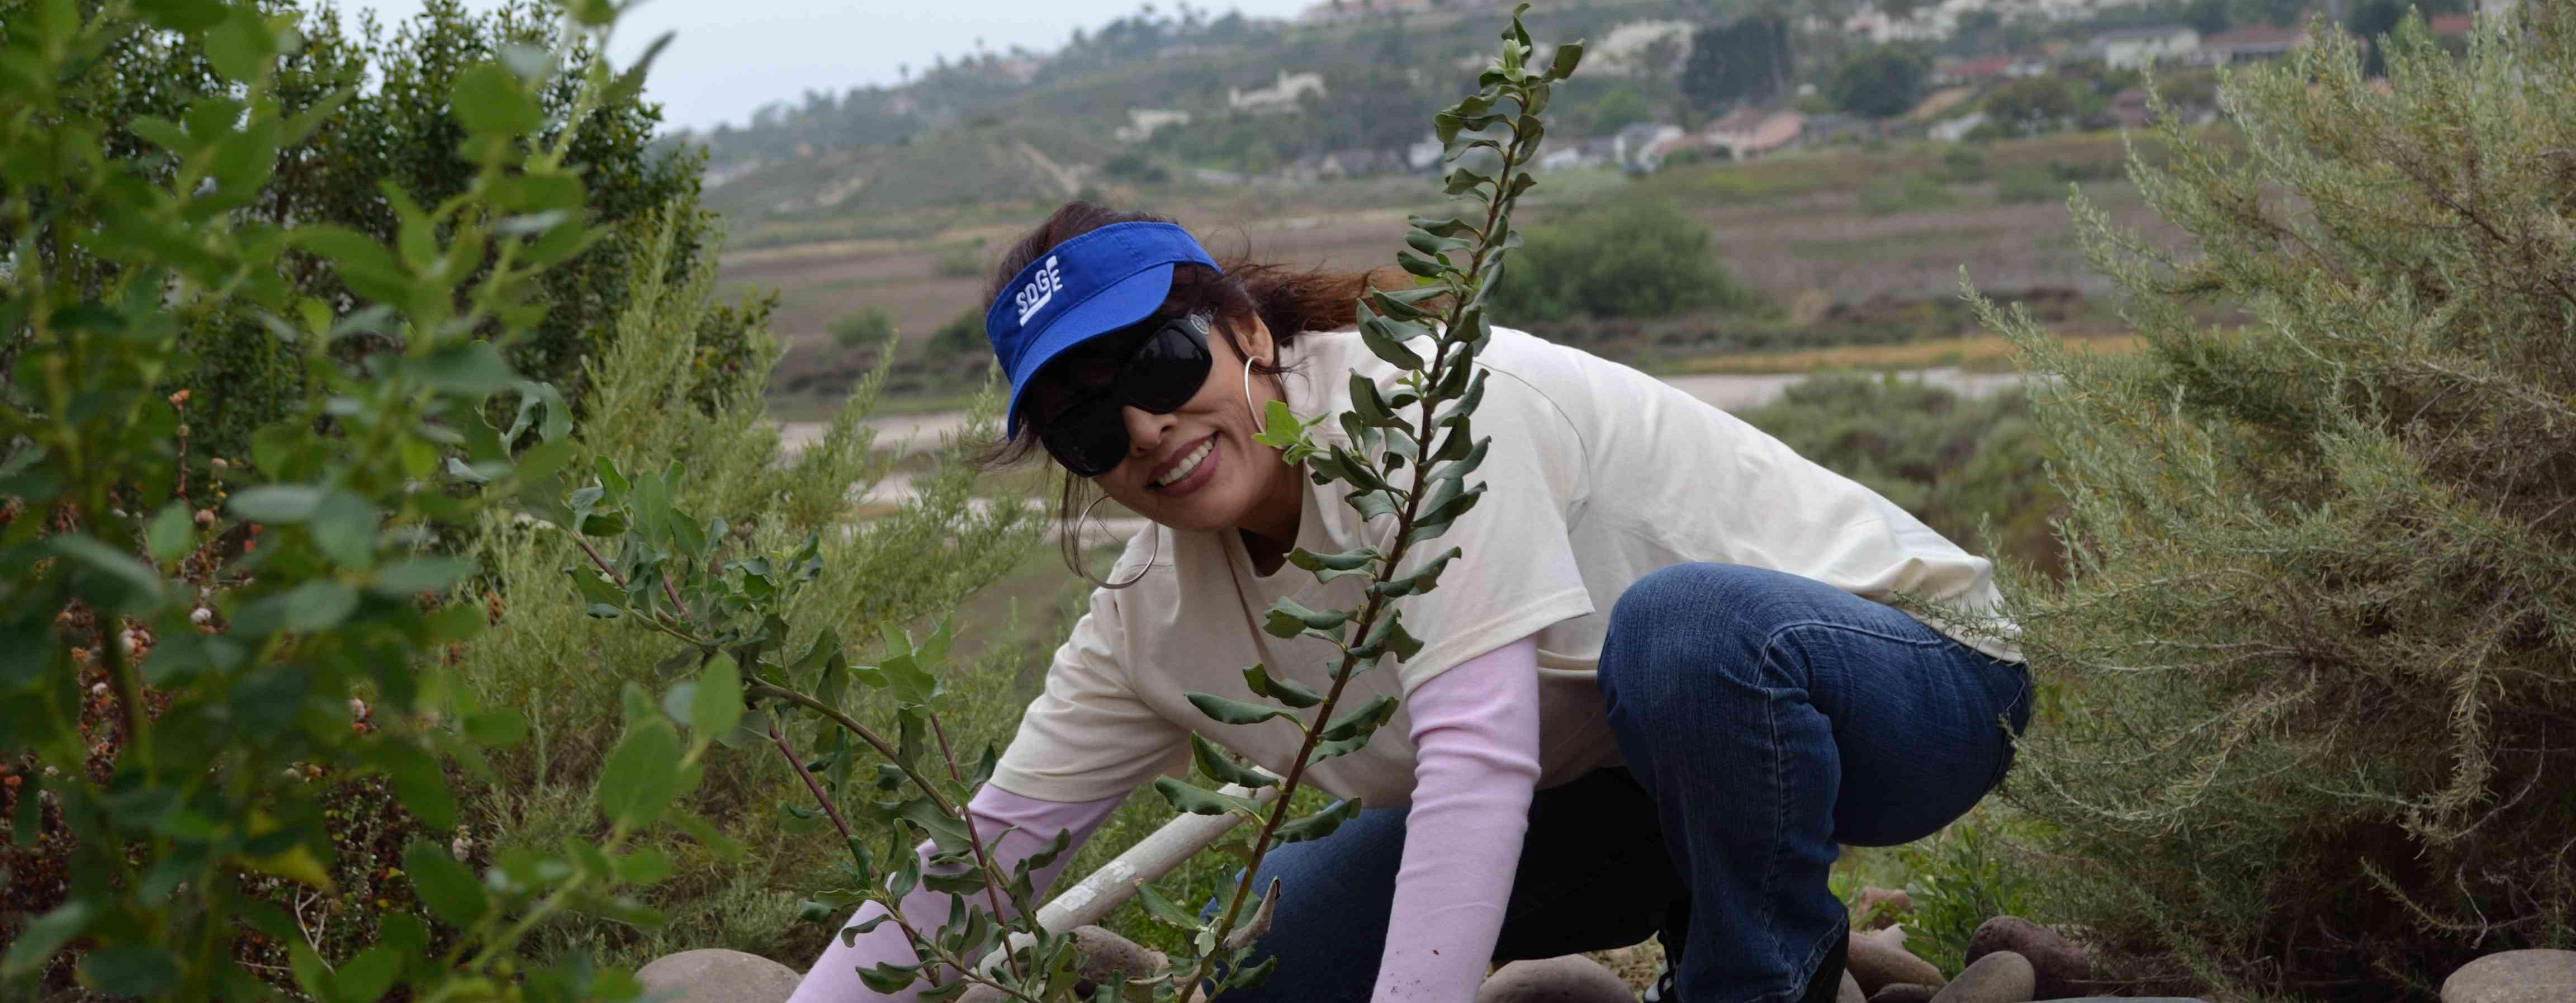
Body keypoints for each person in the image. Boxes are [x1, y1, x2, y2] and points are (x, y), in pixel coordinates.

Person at [789, 202, 2032, 1003]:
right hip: (1637, 779)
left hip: (1918, 687)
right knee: (1268, 963)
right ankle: (1706, 909)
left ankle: (1758, 979)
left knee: (1683, 628)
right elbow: (983, 857)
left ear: (1244, 331)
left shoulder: (1425, 412)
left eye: (1161, 364)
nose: (1146, 427)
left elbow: (1478, 763)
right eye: (1084, 426)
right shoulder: (1148, 616)